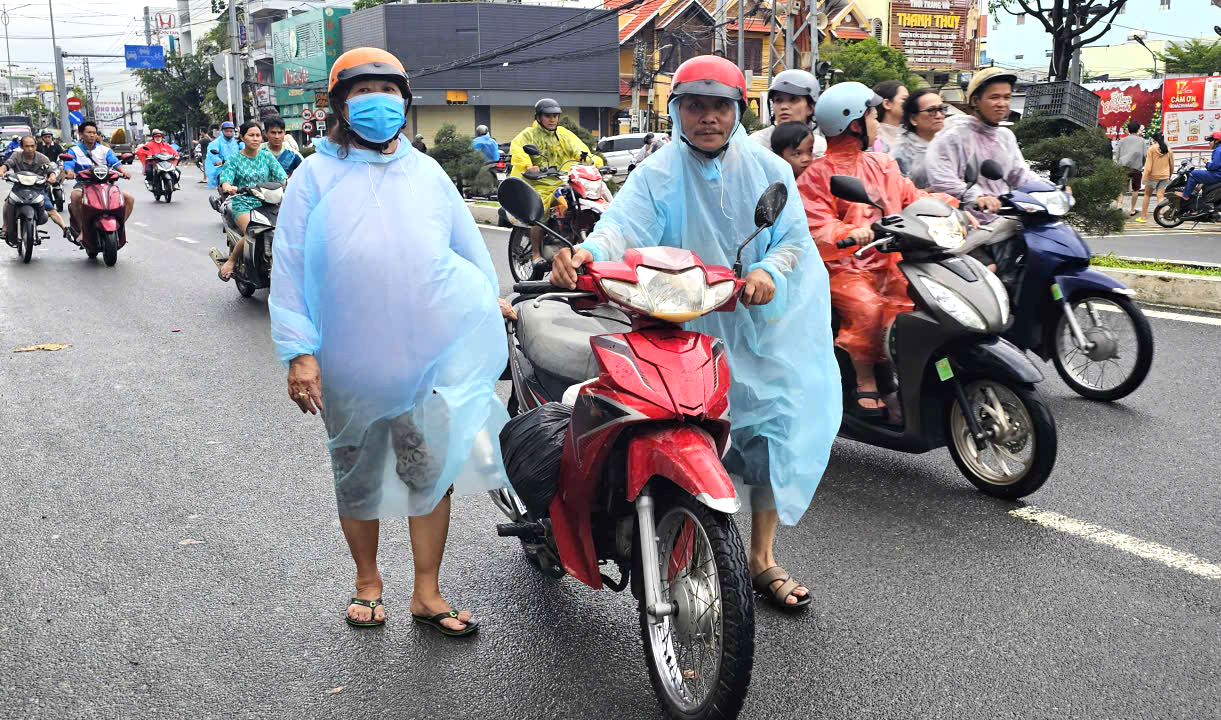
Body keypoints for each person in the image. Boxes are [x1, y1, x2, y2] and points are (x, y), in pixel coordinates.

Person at [548, 55, 841, 610]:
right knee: (687, 425)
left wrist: (768, 270)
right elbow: (621, 226)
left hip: (764, 321)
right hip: (685, 316)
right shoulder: (656, 173)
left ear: (738, 111)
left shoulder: (769, 170)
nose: (708, 117)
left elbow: (794, 239)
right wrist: (587, 252)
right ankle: (686, 543)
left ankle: (761, 557)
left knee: (772, 431)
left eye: (720, 107)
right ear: (677, 111)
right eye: (695, 106)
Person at [269, 47, 513, 635]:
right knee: (356, 468)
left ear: (404, 102)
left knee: (429, 469)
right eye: (362, 92)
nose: (376, 102)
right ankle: (368, 583)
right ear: (339, 105)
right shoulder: (314, 176)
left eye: (387, 91)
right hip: (349, 356)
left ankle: (427, 592)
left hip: (423, 354)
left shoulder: (426, 173)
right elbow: (290, 267)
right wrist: (299, 352)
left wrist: (488, 301)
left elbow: (467, 250)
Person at [797, 82, 963, 416]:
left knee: (920, 298)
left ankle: (914, 372)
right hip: (844, 268)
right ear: (854, 124)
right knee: (867, 307)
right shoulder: (817, 174)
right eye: (872, 116)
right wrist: (851, 232)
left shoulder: (883, 164)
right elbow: (815, 226)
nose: (876, 123)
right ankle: (865, 378)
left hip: (891, 259)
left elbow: (913, 197)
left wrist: (949, 207)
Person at [925, 68, 1043, 221]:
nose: (1002, 104)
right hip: (965, 223)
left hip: (1003, 220)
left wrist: (1048, 189)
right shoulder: (953, 135)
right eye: (994, 97)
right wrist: (977, 196)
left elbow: (1020, 174)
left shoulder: (1005, 137)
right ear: (975, 101)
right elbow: (941, 178)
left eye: (1007, 97)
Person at [509, 97, 602, 261]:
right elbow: (519, 151)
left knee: (582, 203)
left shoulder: (564, 134)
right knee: (540, 213)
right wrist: (528, 166)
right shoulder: (528, 135)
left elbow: (579, 150)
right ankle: (536, 254)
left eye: (555, 116)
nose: (552, 119)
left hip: (562, 180)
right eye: (547, 116)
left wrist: (593, 161)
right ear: (538, 117)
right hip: (537, 182)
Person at [208, 120, 288, 281]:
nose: (255, 139)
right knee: (254, 232)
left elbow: (282, 177)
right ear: (243, 137)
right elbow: (226, 180)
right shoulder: (234, 159)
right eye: (251, 135)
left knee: (287, 231)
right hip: (243, 203)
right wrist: (228, 186)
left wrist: (288, 183)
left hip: (268, 202)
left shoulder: (267, 156)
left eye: (258, 135)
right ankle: (231, 261)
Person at [63, 120, 134, 240]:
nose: (92, 135)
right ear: (81, 134)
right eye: (89, 132)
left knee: (129, 198)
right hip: (84, 184)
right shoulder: (74, 150)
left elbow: (115, 162)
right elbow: (69, 164)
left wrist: (123, 171)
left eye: (94, 133)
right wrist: (69, 172)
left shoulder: (105, 150)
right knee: (75, 196)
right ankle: (82, 229)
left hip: (105, 184)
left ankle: (120, 228)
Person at [0, 135, 70, 242]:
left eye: (32, 146)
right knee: (7, 204)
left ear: (36, 146)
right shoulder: (16, 156)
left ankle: (65, 229)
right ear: (22, 147)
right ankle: (5, 228)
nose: (30, 149)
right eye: (27, 146)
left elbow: (50, 171)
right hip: (18, 188)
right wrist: (2, 171)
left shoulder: (42, 158)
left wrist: (52, 177)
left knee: (51, 210)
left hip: (38, 189)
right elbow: (7, 165)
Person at [748, 69, 827, 158]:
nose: (783, 106)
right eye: (778, 100)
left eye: (793, 99)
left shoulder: (819, 147)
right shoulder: (756, 144)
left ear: (811, 108)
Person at [890, 88, 947, 189]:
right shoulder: (900, 154)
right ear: (913, 119)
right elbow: (896, 192)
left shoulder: (951, 144)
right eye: (931, 111)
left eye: (942, 109)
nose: (939, 116)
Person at [1178, 130, 1221, 212]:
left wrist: (1207, 163)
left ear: (1216, 141)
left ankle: (1186, 195)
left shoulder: (1219, 150)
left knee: (1194, 174)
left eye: (1210, 141)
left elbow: (1214, 166)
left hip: (1220, 175)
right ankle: (1198, 188)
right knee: (1201, 174)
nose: (1209, 143)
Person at [1138, 131, 1174, 223]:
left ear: (1154, 139)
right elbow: (1171, 165)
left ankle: (1143, 217)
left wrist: (1144, 178)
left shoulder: (1151, 149)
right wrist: (1169, 175)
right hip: (1165, 176)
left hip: (1153, 176)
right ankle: (1161, 216)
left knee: (1147, 195)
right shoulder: (1168, 149)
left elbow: (1148, 166)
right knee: (1160, 196)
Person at [1113, 121, 1147, 216]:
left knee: (1120, 187)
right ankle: (1132, 209)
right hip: (1136, 167)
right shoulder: (1142, 141)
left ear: (1128, 130)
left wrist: (1119, 162)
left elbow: (1117, 154)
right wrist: (1142, 164)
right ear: (1138, 130)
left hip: (1123, 166)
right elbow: (1145, 155)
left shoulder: (1122, 140)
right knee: (1135, 189)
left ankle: (1119, 206)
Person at [872, 80, 908, 153]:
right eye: (905, 99)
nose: (910, 104)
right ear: (887, 104)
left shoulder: (912, 135)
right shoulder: (873, 138)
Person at [205, 120, 240, 189]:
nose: (229, 133)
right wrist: (219, 162)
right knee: (225, 189)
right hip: (222, 169)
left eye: (231, 131)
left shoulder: (237, 142)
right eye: (227, 131)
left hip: (236, 168)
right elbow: (213, 156)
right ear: (222, 131)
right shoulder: (215, 143)